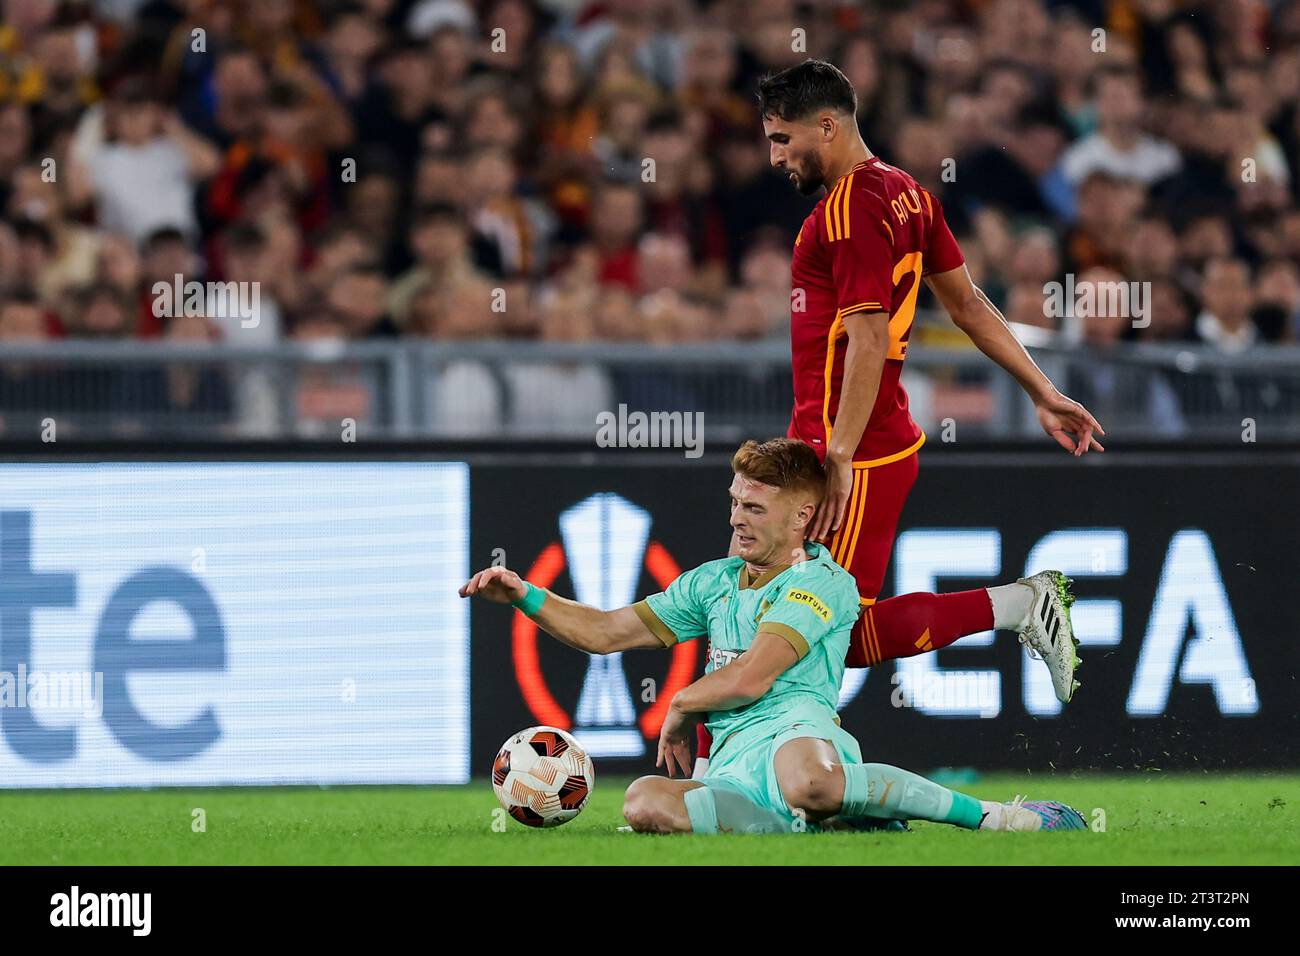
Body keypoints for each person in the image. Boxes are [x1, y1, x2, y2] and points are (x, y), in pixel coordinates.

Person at [669, 61, 1107, 783]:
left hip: (854, 452)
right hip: (850, 443)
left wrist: (835, 455)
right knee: (819, 626)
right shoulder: (907, 194)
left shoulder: (847, 213)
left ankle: (726, 784)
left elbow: (870, 338)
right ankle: (759, 778)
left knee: (800, 625)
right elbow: (966, 305)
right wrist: (1041, 389)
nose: (774, 157)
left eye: (783, 139)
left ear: (829, 126)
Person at [459, 438, 1087, 834]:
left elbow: (754, 676)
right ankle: (819, 825)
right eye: (736, 503)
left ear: (802, 517)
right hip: (733, 768)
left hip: (799, 734)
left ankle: (1004, 819)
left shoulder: (821, 583)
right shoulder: (714, 582)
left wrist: (679, 704)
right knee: (643, 803)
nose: (737, 519)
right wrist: (525, 596)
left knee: (808, 781)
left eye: (754, 509)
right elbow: (604, 632)